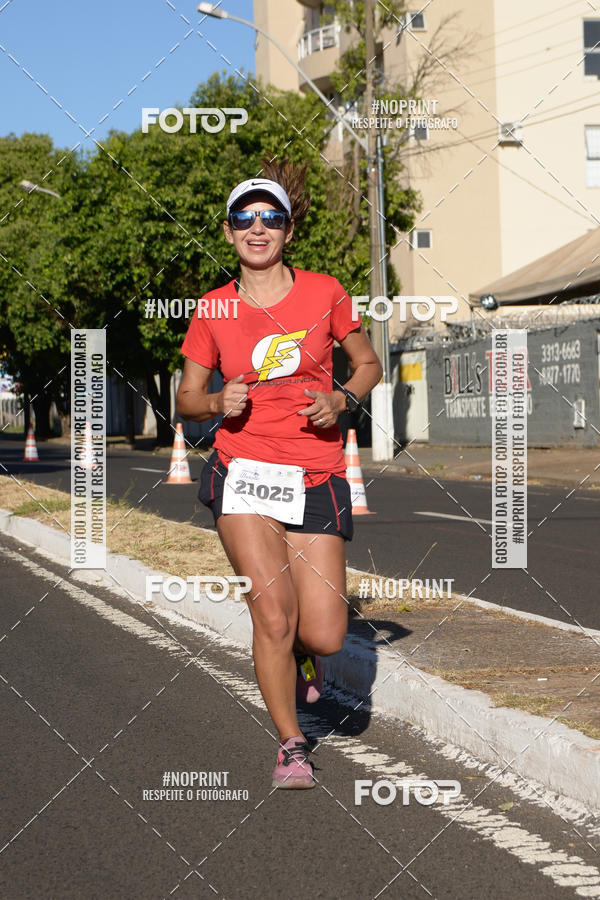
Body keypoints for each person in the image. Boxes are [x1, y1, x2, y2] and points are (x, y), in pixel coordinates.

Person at [176, 160, 382, 789]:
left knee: (322, 634)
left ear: (288, 230)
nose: (257, 228)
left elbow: (367, 363)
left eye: (271, 218)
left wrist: (343, 399)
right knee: (272, 615)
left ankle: (301, 656)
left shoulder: (325, 292)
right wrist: (216, 403)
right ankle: (292, 745)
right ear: (229, 232)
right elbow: (186, 398)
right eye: (245, 218)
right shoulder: (212, 309)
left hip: (316, 473)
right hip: (243, 475)